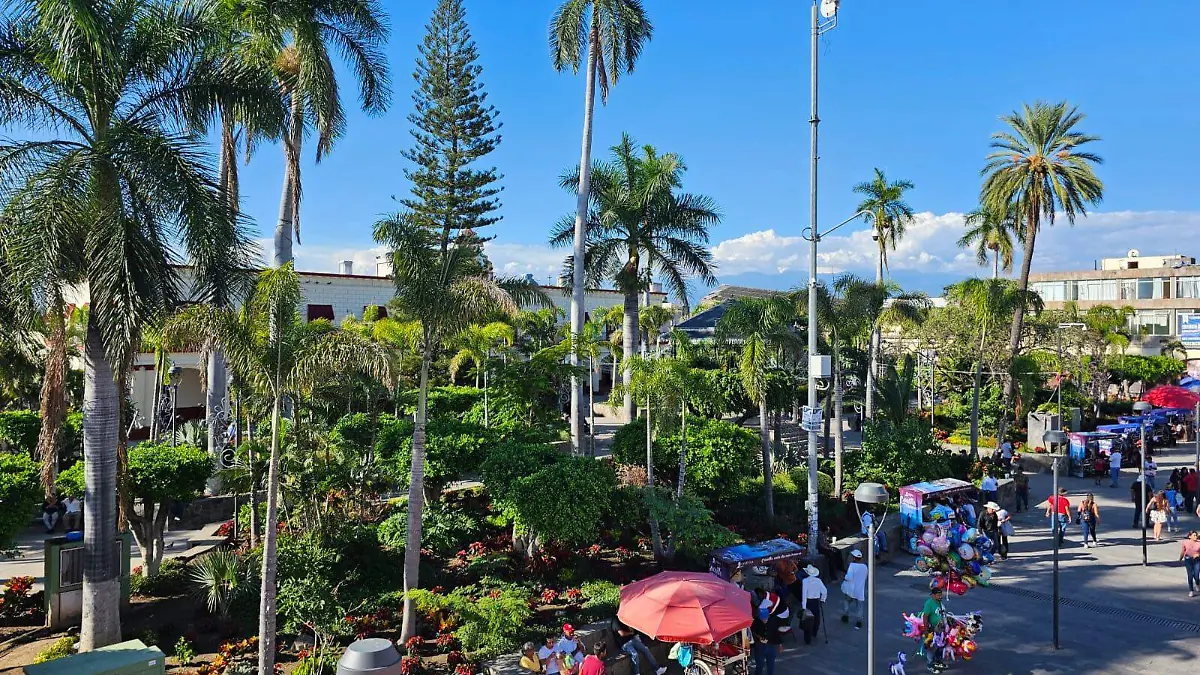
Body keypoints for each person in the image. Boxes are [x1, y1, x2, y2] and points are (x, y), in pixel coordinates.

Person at [750, 595, 780, 675]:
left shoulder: (773, 621)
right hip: (759, 647)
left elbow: (775, 633)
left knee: (771, 665)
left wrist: (779, 644)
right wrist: (758, 639)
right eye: (762, 619)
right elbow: (752, 632)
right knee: (759, 665)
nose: (764, 620)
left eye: (765, 619)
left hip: (770, 646)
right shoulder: (756, 622)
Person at [798, 564, 827, 645]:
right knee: (816, 619)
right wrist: (822, 599)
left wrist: (803, 607)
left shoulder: (805, 581)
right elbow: (824, 591)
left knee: (807, 620)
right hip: (816, 602)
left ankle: (808, 639)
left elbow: (804, 594)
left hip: (808, 602)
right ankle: (814, 633)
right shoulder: (819, 581)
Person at [920, 587, 946, 673]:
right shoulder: (929, 603)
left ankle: (938, 661)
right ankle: (930, 664)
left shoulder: (939, 602)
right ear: (933, 595)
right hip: (932, 628)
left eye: (941, 595)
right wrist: (926, 629)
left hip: (940, 628)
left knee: (940, 645)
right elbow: (925, 616)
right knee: (931, 647)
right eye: (938, 595)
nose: (940, 596)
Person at [840, 549, 868, 629]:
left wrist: (844, 577)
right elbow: (865, 577)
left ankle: (846, 616)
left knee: (847, 602)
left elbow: (849, 577)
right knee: (859, 607)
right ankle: (859, 622)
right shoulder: (865, 567)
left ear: (854, 558)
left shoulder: (852, 566)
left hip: (850, 590)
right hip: (860, 590)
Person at [1180, 530, 1200, 598]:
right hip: (1188, 560)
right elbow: (1183, 551)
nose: (1196, 536)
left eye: (1196, 535)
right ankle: (1191, 590)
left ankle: (1197, 584)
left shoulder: (1199, 543)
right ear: (1190, 536)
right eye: (1194, 535)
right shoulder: (1185, 542)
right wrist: (1180, 558)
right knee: (1190, 575)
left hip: (1197, 560)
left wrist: (1198, 555)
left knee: (1196, 575)